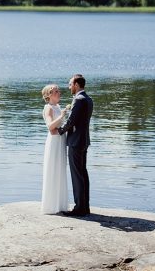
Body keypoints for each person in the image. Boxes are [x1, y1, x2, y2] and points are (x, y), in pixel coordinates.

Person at [57, 74, 93, 216]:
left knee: (77, 175)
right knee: (83, 173)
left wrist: (60, 131)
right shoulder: (88, 99)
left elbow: (72, 120)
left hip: (76, 142)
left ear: (77, 85)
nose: (69, 86)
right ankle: (85, 207)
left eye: (70, 84)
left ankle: (79, 208)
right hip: (83, 140)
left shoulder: (78, 99)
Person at [40, 84, 69, 214]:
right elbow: (50, 126)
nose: (59, 93)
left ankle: (60, 205)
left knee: (60, 170)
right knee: (53, 170)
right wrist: (62, 115)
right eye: (56, 91)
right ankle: (50, 206)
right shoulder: (48, 108)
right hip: (54, 142)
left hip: (61, 141)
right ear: (49, 95)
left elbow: (60, 126)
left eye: (59, 91)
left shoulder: (57, 106)